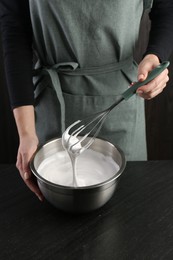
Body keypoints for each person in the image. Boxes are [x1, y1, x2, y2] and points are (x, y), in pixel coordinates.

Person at [0, 0, 172, 201]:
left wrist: (155, 55)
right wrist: (27, 134)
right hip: (51, 103)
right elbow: (15, 28)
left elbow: (167, 8)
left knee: (129, 205)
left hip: (122, 100)